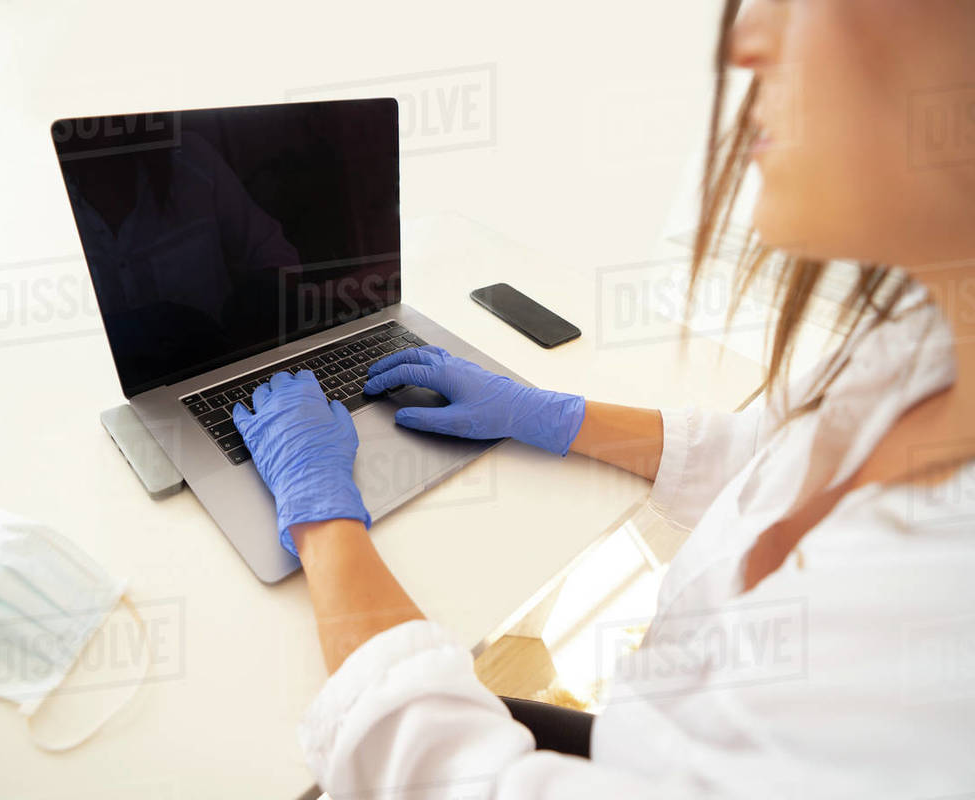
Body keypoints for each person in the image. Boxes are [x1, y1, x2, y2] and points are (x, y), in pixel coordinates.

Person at [231, 1, 975, 796]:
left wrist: (321, 520)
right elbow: (766, 454)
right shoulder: (920, 344)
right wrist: (545, 411)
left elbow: (455, 779)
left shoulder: (933, 636)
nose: (746, 39)